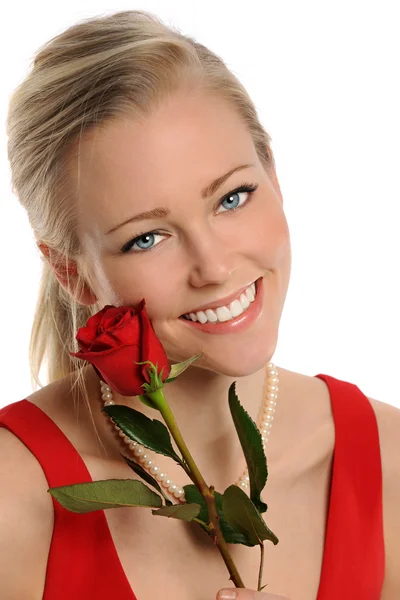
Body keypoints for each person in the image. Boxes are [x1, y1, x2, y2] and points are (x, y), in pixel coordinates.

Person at [0, 9, 398, 600]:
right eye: (147, 237)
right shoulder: (13, 499)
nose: (213, 266)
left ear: (275, 175)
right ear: (71, 273)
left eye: (233, 197)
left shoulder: (389, 462)